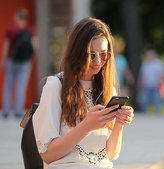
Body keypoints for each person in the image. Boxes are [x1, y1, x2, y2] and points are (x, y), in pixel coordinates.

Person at [32, 17, 134, 169]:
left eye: (103, 54)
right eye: (91, 54)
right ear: (77, 52)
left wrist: (119, 124)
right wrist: (87, 125)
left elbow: (109, 155)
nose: (98, 61)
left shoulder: (108, 90)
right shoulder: (55, 86)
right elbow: (48, 154)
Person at [1, 8, 38, 118]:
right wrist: (33, 58)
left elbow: (6, 46)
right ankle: (17, 111)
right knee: (21, 86)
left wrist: (3, 61)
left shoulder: (11, 29)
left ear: (17, 17)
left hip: (12, 60)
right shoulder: (31, 30)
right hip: (25, 61)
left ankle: (6, 111)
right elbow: (35, 45)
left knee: (8, 85)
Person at [139, 49, 164, 115]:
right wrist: (142, 84)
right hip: (147, 85)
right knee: (145, 100)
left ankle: (158, 113)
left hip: (155, 85)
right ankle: (144, 113)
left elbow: (161, 75)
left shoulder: (158, 64)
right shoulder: (145, 64)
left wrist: (159, 83)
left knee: (157, 100)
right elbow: (142, 75)